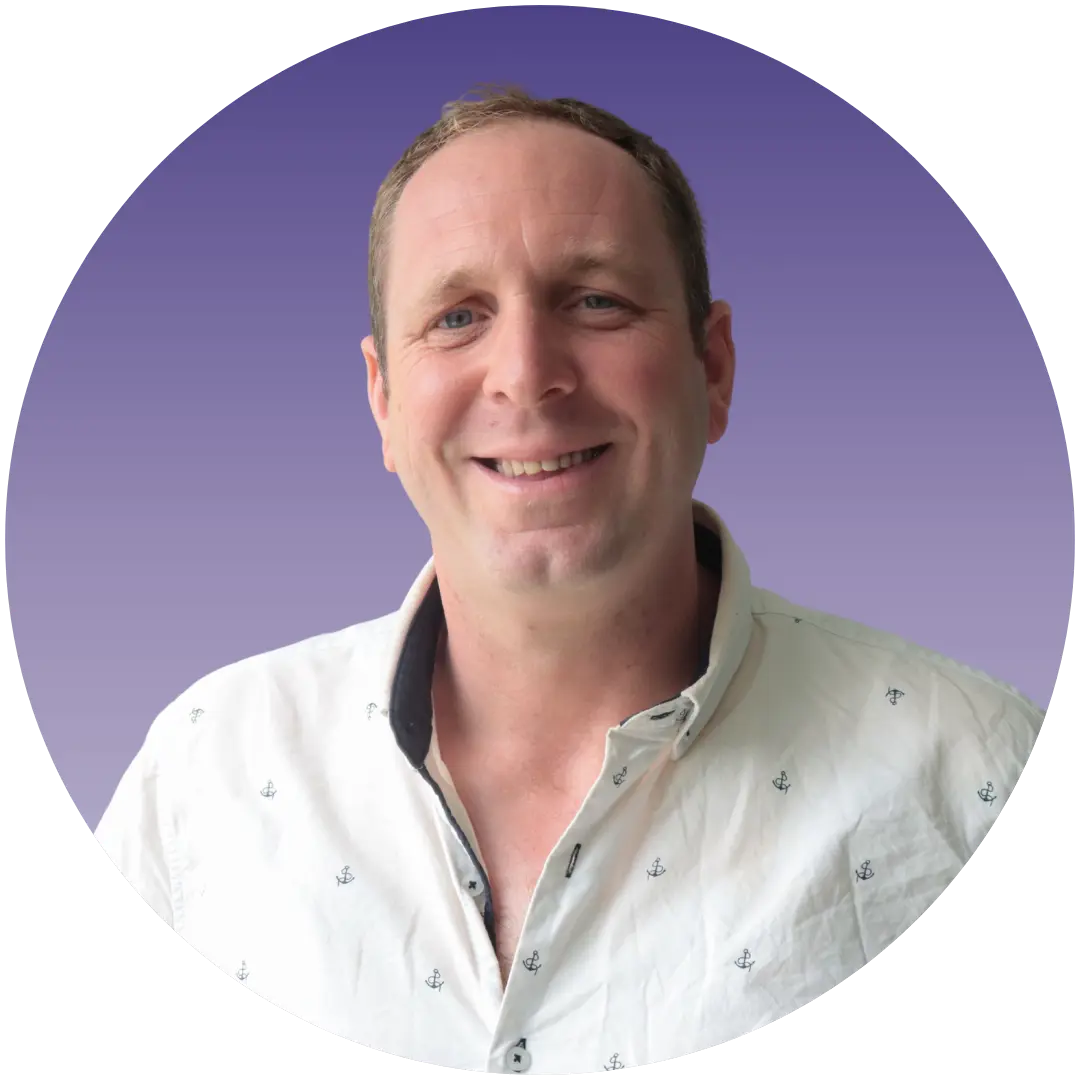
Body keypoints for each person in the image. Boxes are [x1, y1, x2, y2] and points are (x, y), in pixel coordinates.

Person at [94, 85, 1043, 1071]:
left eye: (597, 302)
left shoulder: (970, 776)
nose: (525, 373)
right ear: (383, 401)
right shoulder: (204, 773)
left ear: (713, 369)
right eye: (457, 316)